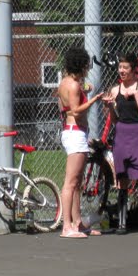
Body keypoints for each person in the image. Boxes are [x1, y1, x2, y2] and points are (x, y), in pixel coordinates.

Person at [103, 53, 138, 234]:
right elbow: (113, 118)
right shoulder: (115, 89)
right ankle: (122, 222)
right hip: (122, 134)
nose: (122, 70)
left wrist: (136, 95)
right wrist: (110, 105)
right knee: (123, 178)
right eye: (120, 67)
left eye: (125, 67)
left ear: (134, 69)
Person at [56, 47, 104, 238]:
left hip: (75, 133)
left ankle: (78, 223)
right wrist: (94, 100)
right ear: (81, 65)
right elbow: (76, 111)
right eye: (86, 65)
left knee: (77, 183)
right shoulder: (74, 86)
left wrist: (86, 88)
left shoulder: (67, 83)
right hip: (75, 134)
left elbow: (71, 97)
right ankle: (66, 226)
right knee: (71, 182)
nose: (88, 69)